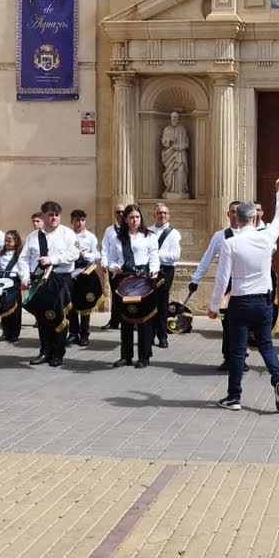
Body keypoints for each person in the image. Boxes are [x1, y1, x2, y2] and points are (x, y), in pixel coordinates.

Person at [209, 170, 279, 412]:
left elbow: (222, 277)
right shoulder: (267, 237)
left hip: (240, 301)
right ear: (254, 219)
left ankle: (234, 397)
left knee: (237, 350)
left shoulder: (230, 243)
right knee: (266, 344)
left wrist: (214, 306)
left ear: (237, 219)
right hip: (264, 301)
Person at [21, 201, 79, 368]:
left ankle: (58, 353)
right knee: (42, 317)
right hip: (40, 281)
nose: (54, 218)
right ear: (43, 216)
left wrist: (52, 260)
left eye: (56, 215)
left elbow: (74, 254)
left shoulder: (67, 233)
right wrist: (25, 277)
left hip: (60, 279)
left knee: (59, 317)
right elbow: (24, 259)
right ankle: (45, 351)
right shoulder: (34, 236)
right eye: (50, 214)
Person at [191, 201, 243, 372]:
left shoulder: (250, 235)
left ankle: (241, 358)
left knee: (242, 324)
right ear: (228, 214)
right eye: (232, 212)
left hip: (244, 284)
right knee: (227, 323)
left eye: (238, 212)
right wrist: (195, 279)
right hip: (227, 285)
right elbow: (207, 258)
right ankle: (228, 358)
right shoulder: (220, 236)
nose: (235, 215)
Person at [106, 204, 160, 368]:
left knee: (144, 319)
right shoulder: (118, 238)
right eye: (131, 217)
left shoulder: (149, 236)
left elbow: (154, 257)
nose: (134, 220)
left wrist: (153, 271)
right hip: (124, 280)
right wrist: (113, 267)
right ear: (125, 219)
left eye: (137, 217)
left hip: (142, 279)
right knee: (126, 318)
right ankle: (126, 356)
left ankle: (144, 357)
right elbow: (111, 260)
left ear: (141, 218)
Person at [149, 203, 182, 348]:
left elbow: (175, 256)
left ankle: (162, 336)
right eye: (159, 213)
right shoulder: (147, 232)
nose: (162, 215)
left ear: (169, 215)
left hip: (165, 271)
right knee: (149, 303)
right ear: (154, 215)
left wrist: (156, 254)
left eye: (165, 213)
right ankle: (148, 335)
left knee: (162, 303)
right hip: (149, 271)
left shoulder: (173, 233)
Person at [66, 209, 100, 347]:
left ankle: (84, 334)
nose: (79, 223)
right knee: (71, 304)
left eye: (82, 220)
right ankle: (73, 333)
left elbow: (97, 254)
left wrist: (85, 255)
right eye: (76, 220)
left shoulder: (90, 237)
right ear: (71, 221)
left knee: (86, 303)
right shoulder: (67, 236)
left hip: (86, 272)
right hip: (71, 272)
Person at [0, 230, 25, 343]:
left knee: (15, 308)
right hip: (2, 281)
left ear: (16, 242)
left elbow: (23, 268)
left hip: (14, 281)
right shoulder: (2, 252)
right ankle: (5, 333)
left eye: (9, 241)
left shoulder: (21, 254)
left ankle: (14, 334)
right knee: (4, 307)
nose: (6, 243)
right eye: (5, 241)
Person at [100, 204, 126, 331]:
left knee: (128, 295)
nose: (120, 214)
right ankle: (114, 321)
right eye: (118, 212)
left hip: (127, 268)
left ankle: (131, 320)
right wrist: (104, 263)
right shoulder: (109, 230)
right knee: (115, 295)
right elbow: (105, 248)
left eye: (122, 212)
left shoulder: (130, 229)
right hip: (113, 268)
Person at [161, 111, 190, 198]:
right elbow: (164, 141)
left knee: (181, 170)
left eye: (175, 117)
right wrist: (170, 140)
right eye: (172, 117)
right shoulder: (167, 129)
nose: (174, 119)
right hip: (170, 156)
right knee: (170, 173)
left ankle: (180, 190)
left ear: (178, 118)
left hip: (180, 155)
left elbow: (187, 143)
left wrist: (181, 147)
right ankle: (170, 189)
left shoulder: (183, 129)